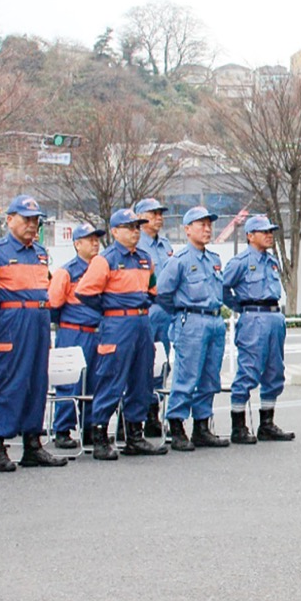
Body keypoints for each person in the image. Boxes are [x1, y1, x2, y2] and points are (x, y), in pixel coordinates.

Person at [75, 208, 169, 460]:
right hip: (117, 324)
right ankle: (100, 435)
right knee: (111, 378)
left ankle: (135, 435)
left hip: (141, 322)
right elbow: (84, 292)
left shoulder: (145, 259)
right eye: (129, 228)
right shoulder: (104, 260)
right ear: (115, 231)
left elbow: (153, 289)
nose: (135, 232)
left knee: (142, 379)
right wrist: (110, 307)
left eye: (137, 227)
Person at [0, 195, 66, 472]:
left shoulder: (40, 253)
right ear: (9, 219)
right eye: (26, 219)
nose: (32, 225)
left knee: (37, 382)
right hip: (11, 319)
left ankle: (33, 442)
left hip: (38, 319)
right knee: (10, 382)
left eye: (36, 220)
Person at [155, 206, 229, 451]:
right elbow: (163, 294)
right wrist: (181, 314)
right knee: (186, 376)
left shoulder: (214, 260)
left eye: (209, 225)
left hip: (215, 321)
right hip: (191, 320)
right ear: (187, 230)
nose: (207, 229)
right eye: (201, 225)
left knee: (210, 377)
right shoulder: (179, 261)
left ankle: (201, 426)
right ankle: (176, 425)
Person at [222, 215, 295, 444]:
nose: (269, 235)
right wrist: (241, 307)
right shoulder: (240, 262)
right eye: (263, 231)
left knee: (274, 371)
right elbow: (223, 288)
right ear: (250, 236)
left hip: (274, 317)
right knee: (249, 370)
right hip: (254, 317)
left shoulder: (272, 261)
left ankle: (267, 424)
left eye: (270, 231)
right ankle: (238, 425)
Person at [47, 223, 106, 449]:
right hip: (74, 332)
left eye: (96, 239)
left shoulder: (101, 269)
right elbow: (53, 303)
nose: (94, 243)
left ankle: (90, 427)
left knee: (94, 382)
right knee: (70, 382)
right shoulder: (67, 271)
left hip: (96, 333)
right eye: (89, 239)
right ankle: (62, 429)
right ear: (77, 244)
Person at [135, 197, 173, 438]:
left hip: (165, 310)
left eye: (161, 213)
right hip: (145, 309)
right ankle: (141, 411)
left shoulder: (166, 245)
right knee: (143, 363)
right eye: (154, 213)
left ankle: (153, 410)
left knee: (163, 362)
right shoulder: (135, 244)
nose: (159, 217)